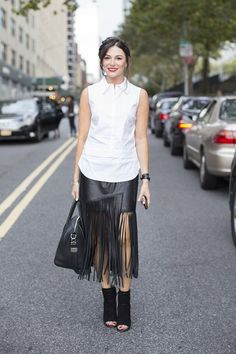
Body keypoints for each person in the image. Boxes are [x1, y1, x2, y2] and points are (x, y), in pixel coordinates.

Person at [71, 37, 151, 332]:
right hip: (93, 171)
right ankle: (108, 298)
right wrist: (76, 178)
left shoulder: (139, 95)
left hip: (126, 173)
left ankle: (125, 298)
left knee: (125, 238)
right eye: (107, 57)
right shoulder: (89, 93)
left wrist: (145, 179)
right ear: (101, 61)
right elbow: (82, 137)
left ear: (126, 61)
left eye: (118, 57)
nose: (112, 62)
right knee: (101, 239)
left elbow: (140, 137)